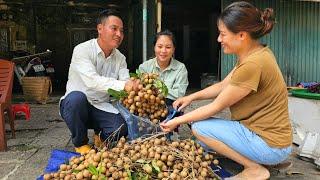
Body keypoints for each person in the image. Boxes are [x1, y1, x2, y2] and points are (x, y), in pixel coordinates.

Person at [160, 2, 292, 179]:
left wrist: (177, 121)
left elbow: (216, 106)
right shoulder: (255, 54)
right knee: (202, 138)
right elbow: (223, 86)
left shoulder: (252, 64)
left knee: (199, 128)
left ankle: (254, 168)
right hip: (271, 140)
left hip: (270, 145)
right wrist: (191, 97)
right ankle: (260, 158)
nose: (219, 40)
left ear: (242, 35)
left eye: (223, 34)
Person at [60, 9, 140, 154]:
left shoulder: (120, 58)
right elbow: (92, 81)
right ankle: (81, 143)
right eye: (114, 29)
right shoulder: (82, 50)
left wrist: (134, 86)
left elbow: (124, 82)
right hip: (77, 105)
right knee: (76, 99)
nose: (119, 34)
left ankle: (101, 136)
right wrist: (125, 85)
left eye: (121, 31)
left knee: (123, 127)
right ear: (100, 29)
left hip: (101, 106)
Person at [138, 29, 189, 107]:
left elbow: (179, 95)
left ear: (173, 49)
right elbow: (140, 91)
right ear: (154, 47)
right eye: (160, 46)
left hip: (172, 109)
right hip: (148, 108)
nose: (163, 51)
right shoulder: (144, 67)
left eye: (168, 47)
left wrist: (155, 89)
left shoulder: (180, 68)